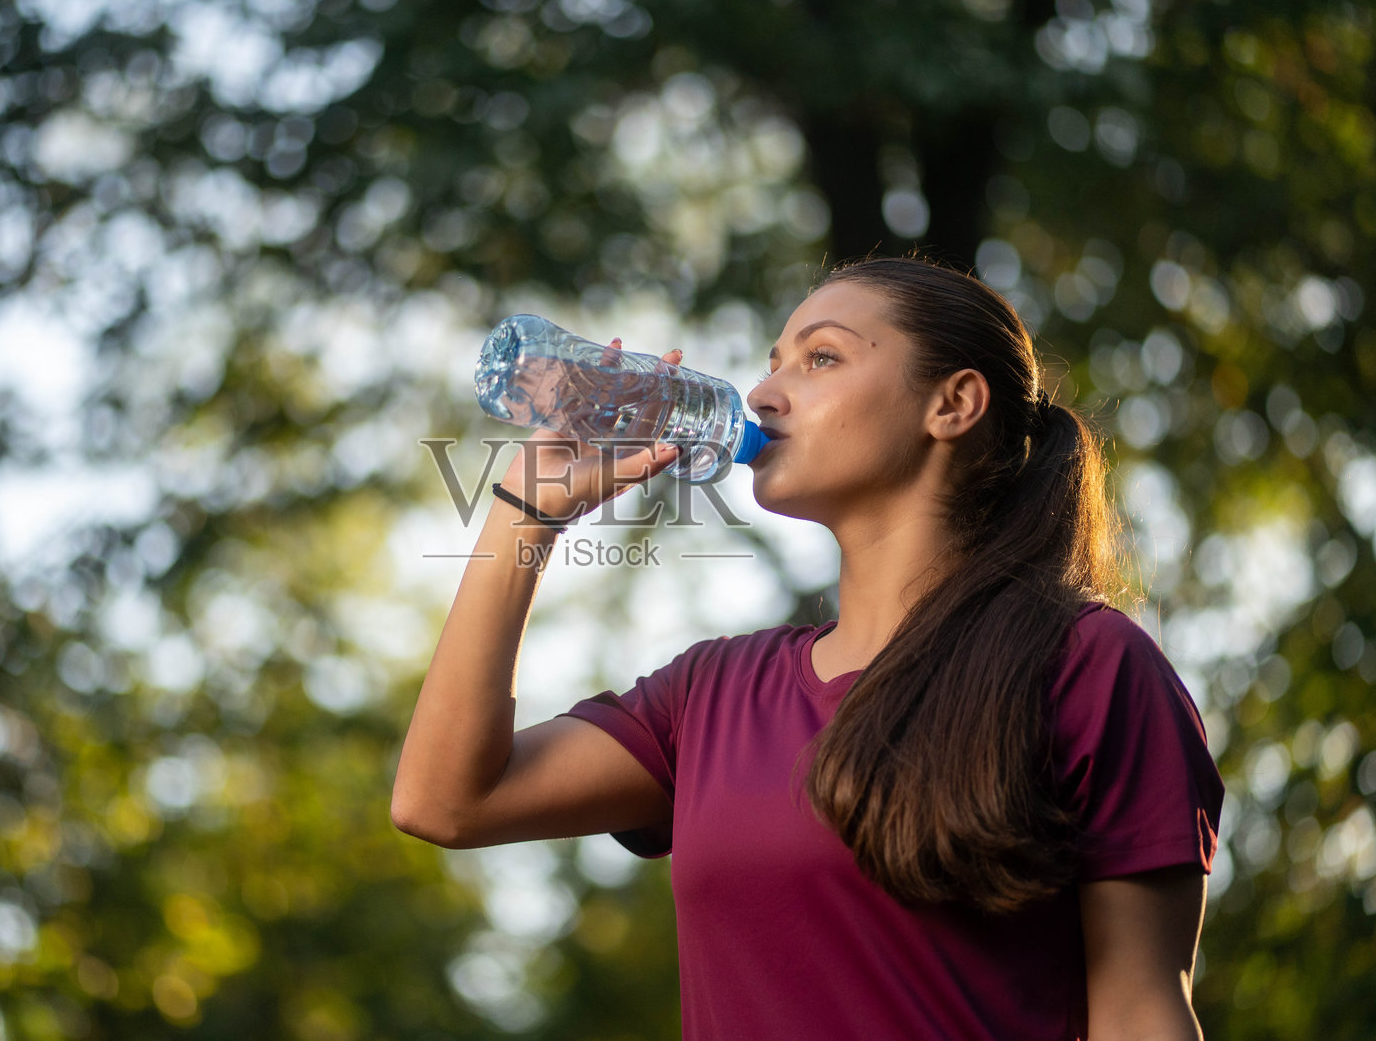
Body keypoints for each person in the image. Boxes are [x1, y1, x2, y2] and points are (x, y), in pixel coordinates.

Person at [392, 255, 1224, 1040]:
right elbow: (444, 802)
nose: (762, 393)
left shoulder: (1086, 663)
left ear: (954, 404)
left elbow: (1140, 1013)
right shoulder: (710, 693)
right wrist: (525, 511)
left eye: (820, 359)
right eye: (773, 361)